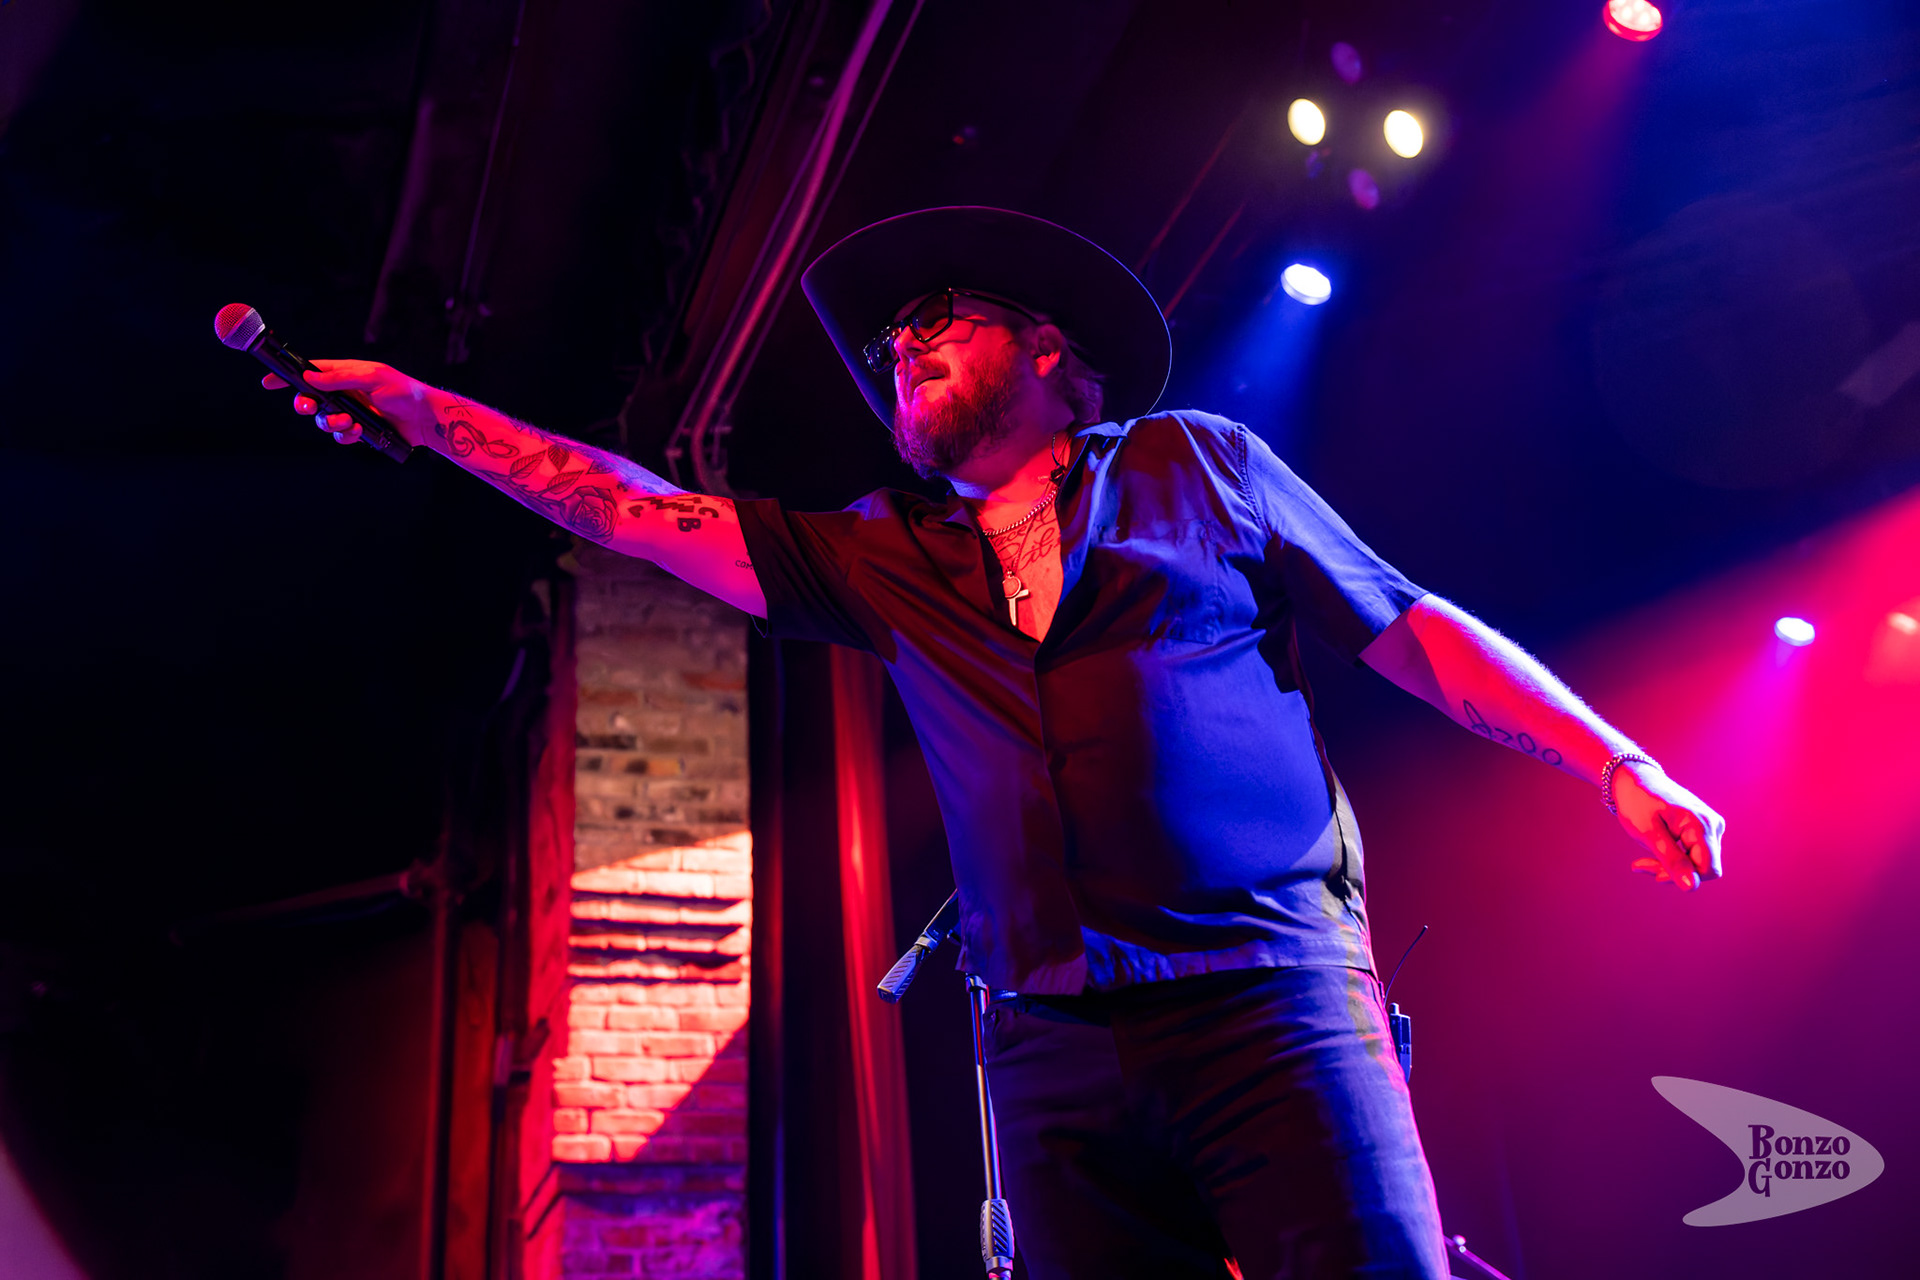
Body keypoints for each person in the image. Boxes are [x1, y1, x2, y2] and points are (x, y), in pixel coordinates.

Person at [264, 207, 1725, 1279]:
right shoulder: (881, 553)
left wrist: (1617, 762)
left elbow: (1413, 628)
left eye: (939, 318)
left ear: (1046, 347)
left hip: (1269, 999)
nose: (903, 345)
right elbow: (634, 509)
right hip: (1047, 1044)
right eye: (890, 344)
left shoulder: (1199, 463)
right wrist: (420, 410)